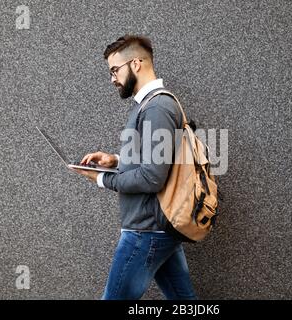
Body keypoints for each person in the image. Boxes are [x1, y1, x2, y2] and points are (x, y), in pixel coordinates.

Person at [71, 35, 197, 300]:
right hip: (157, 227)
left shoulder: (157, 107)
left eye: (115, 70)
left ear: (136, 64)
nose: (112, 78)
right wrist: (115, 161)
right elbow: (156, 160)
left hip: (145, 231)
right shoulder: (151, 105)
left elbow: (152, 178)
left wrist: (103, 179)